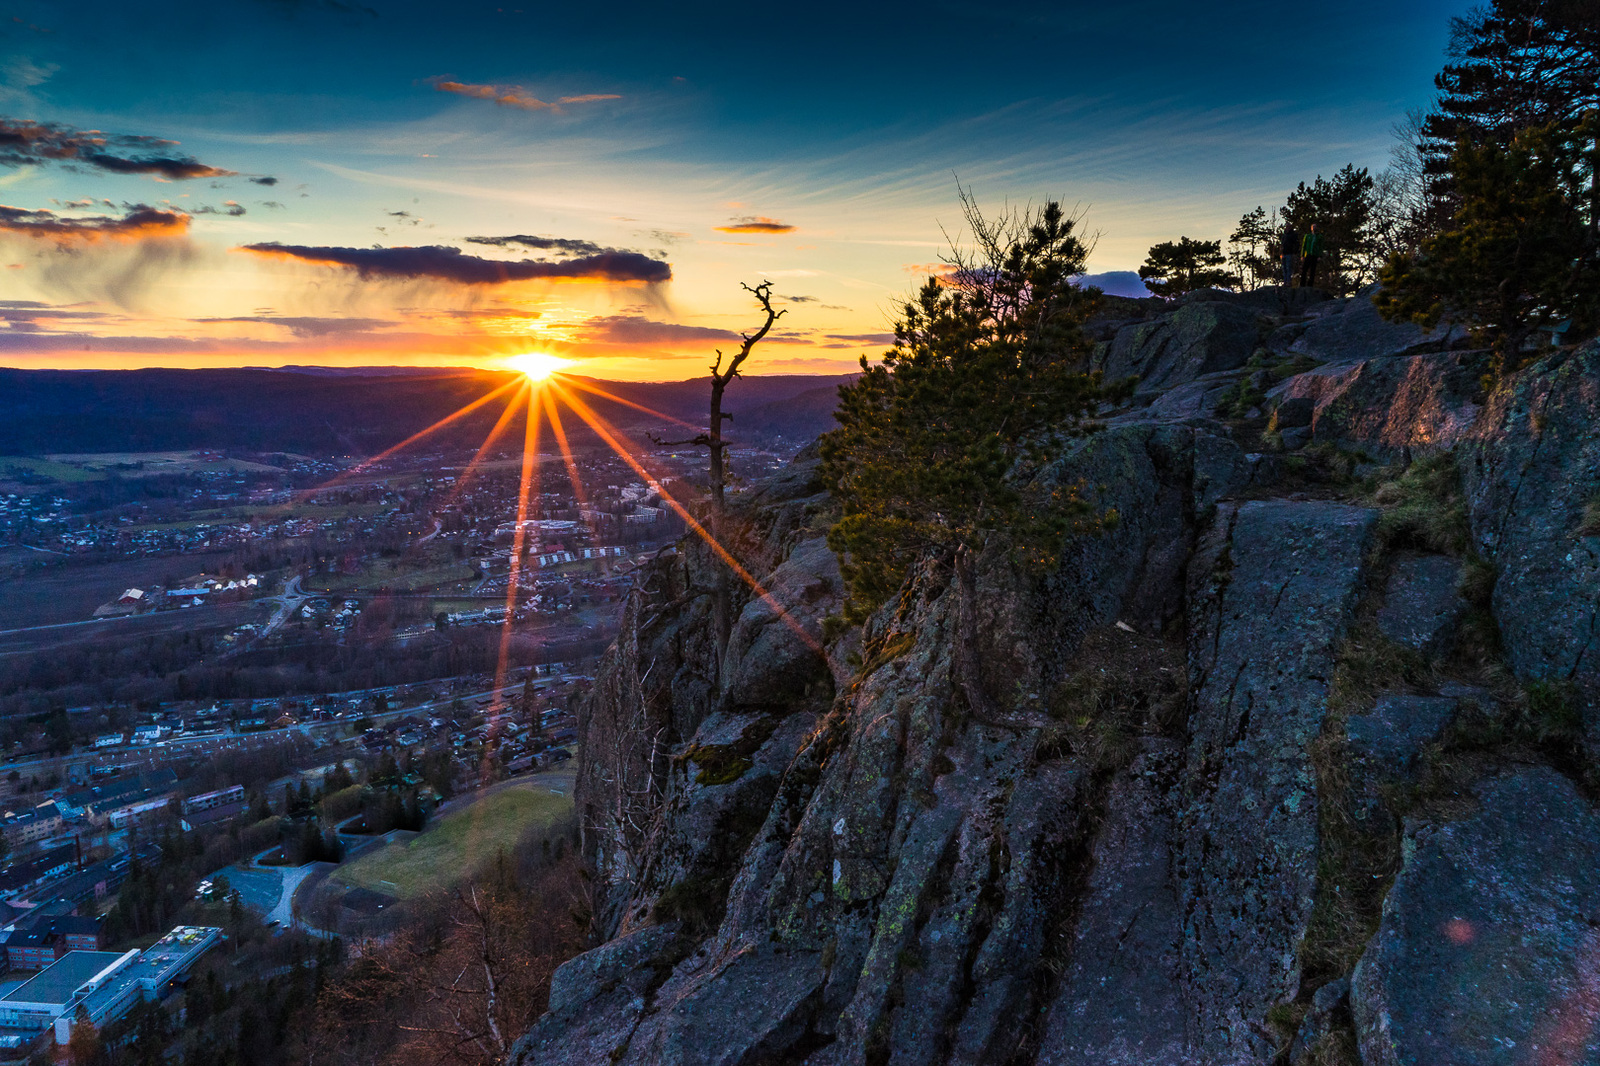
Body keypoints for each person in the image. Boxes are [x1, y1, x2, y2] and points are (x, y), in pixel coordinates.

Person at [1299, 223, 1323, 288]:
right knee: (1304, 269)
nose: (1314, 228)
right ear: (1311, 228)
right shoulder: (1307, 236)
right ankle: (1302, 284)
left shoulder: (1319, 236)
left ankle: (1310, 284)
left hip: (1315, 255)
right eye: (1313, 226)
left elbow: (1321, 247)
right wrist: (1302, 255)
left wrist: (1320, 256)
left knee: (1313, 270)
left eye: (1315, 226)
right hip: (1308, 254)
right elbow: (1304, 246)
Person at [1280, 223, 1300, 287]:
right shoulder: (1284, 235)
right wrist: (1281, 252)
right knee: (1284, 268)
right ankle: (1285, 281)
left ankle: (1288, 282)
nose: (1287, 227)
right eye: (1286, 226)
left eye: (1288, 226)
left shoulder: (1293, 235)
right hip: (1283, 254)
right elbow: (1282, 244)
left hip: (1290, 253)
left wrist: (1294, 252)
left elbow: (1296, 244)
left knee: (1289, 268)